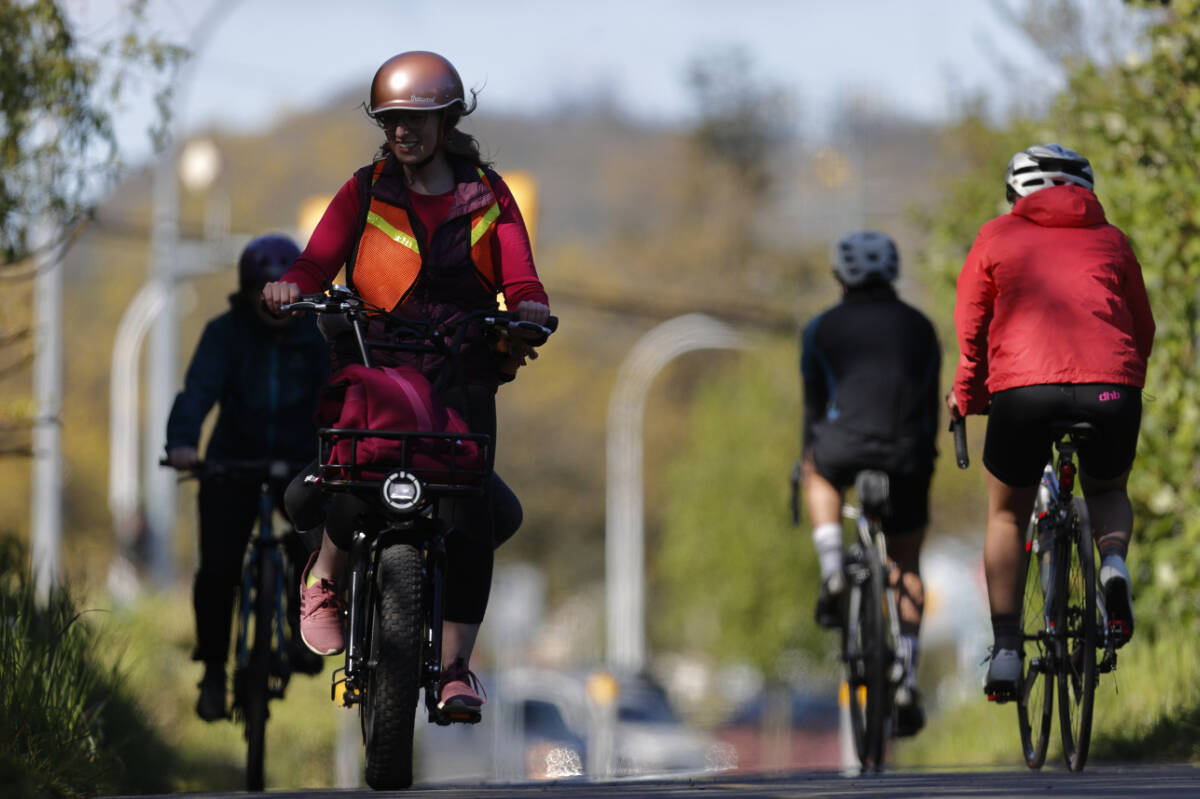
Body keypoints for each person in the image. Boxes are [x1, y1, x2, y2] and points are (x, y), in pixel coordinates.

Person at [261, 51, 550, 720]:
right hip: (374, 356)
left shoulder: (489, 193)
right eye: (392, 121)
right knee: (349, 465)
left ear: (449, 120)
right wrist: (291, 289)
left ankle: (454, 670)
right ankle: (327, 577)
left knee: (472, 506)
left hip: (464, 365)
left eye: (417, 120)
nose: (403, 133)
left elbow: (522, 279)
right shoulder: (363, 190)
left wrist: (528, 309)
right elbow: (313, 263)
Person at [948, 143, 1155, 700]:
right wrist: (1121, 380)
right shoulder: (1111, 239)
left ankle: (1009, 651)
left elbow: (972, 328)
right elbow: (1142, 326)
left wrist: (967, 394)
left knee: (1007, 515)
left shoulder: (997, 236)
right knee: (1107, 489)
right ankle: (1111, 564)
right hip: (1112, 387)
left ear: (1015, 193)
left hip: (1024, 391)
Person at [165, 233, 331, 721]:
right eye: (265, 291)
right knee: (218, 569)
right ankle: (214, 669)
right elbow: (196, 393)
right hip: (231, 462)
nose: (276, 304)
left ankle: (304, 628)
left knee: (317, 549)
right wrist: (182, 444)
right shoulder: (225, 332)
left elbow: (342, 397)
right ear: (249, 291)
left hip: (301, 464)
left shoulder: (320, 335)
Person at [800, 230, 941, 736]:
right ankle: (905, 672)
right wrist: (925, 457)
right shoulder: (921, 328)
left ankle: (833, 563)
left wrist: (804, 461)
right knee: (906, 563)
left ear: (841, 275)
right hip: (906, 452)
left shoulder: (820, 330)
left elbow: (814, 410)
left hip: (842, 446)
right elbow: (927, 404)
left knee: (818, 471)